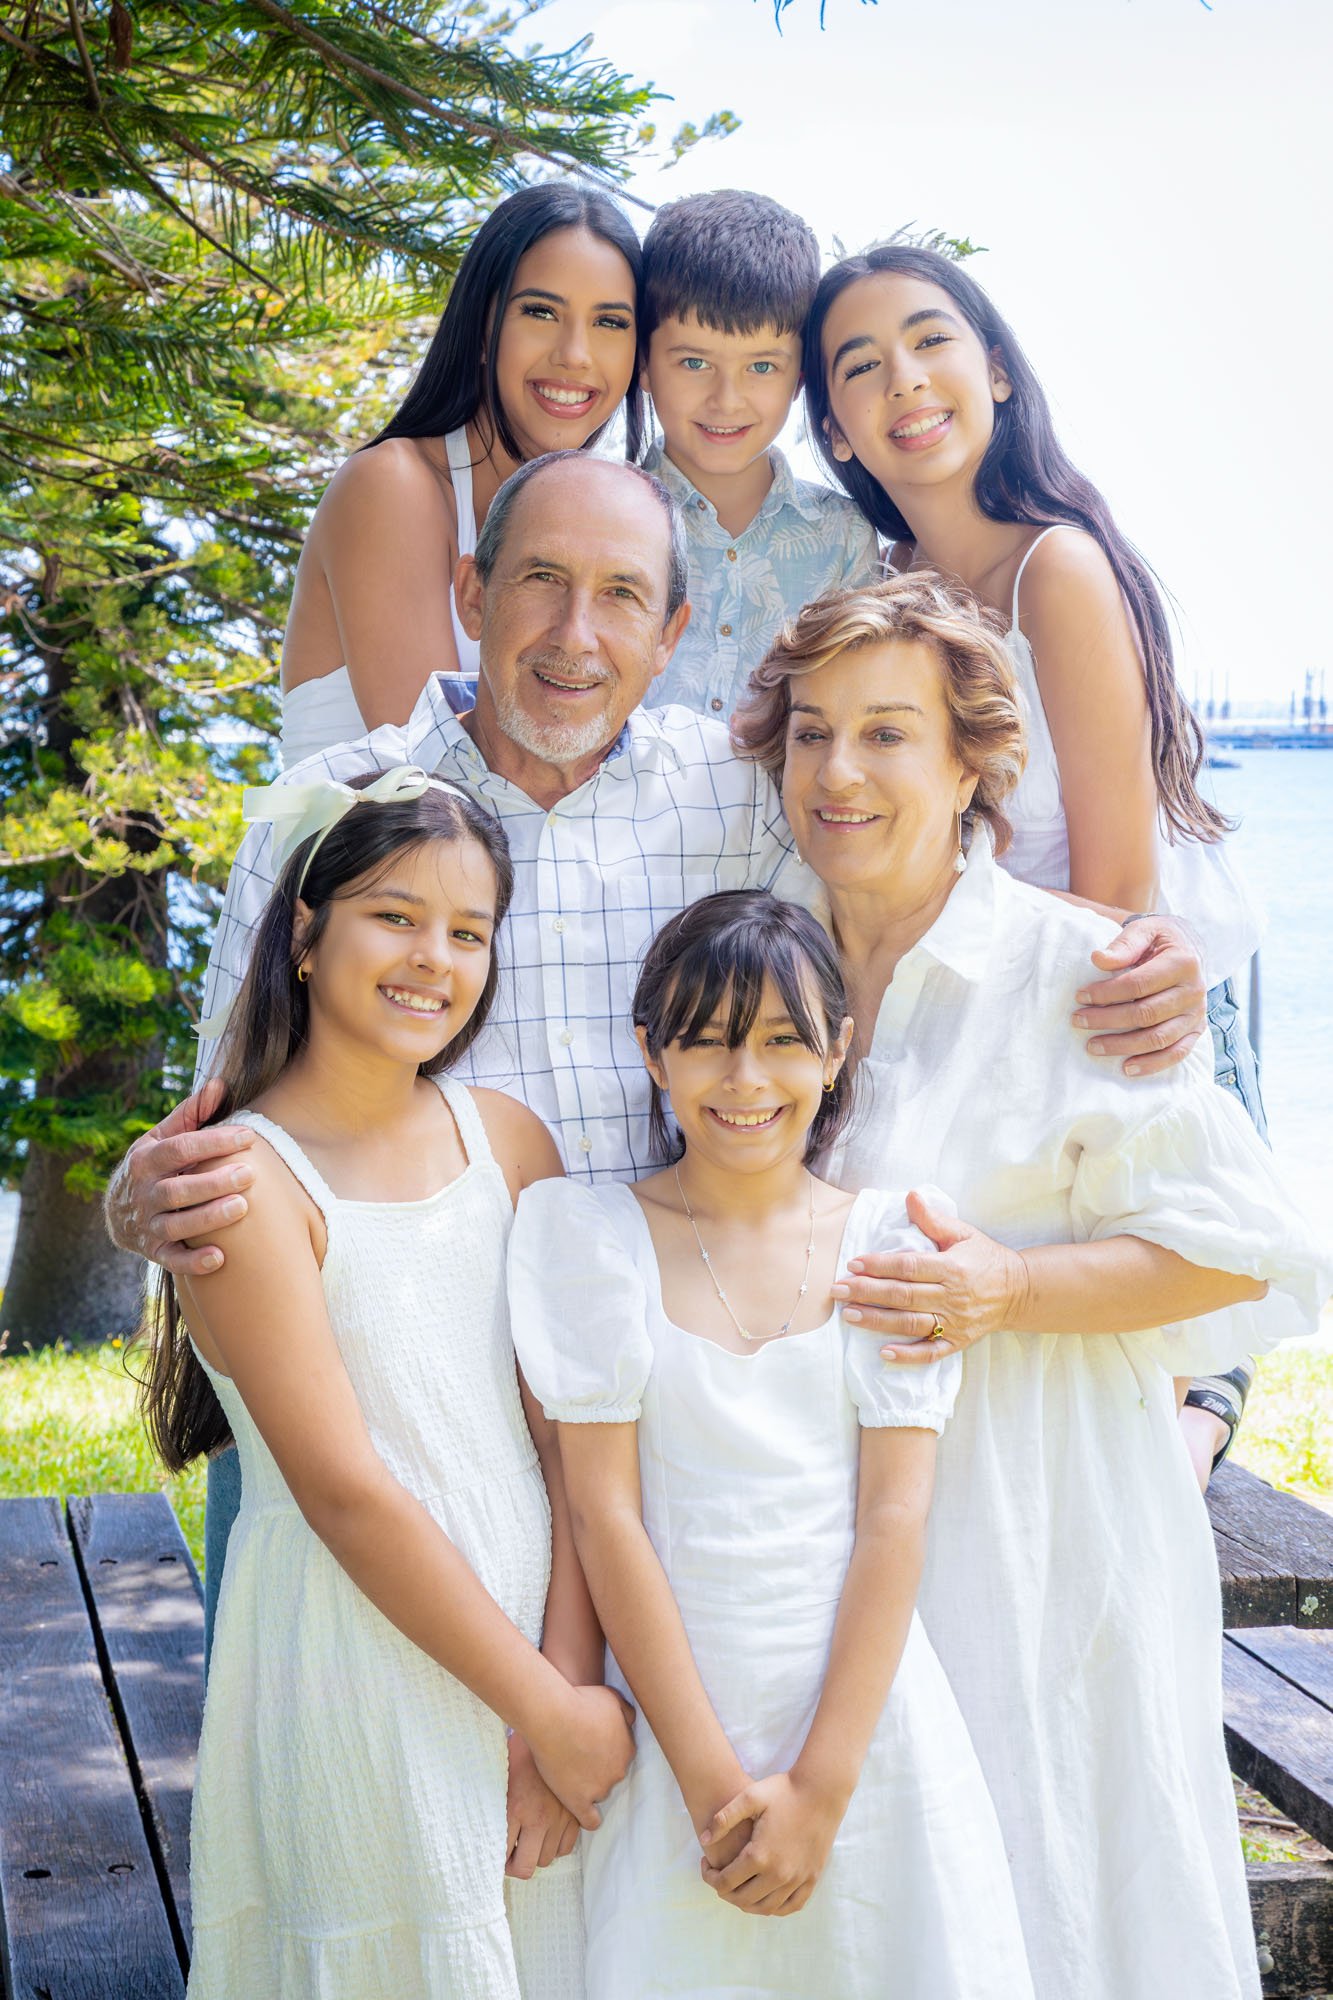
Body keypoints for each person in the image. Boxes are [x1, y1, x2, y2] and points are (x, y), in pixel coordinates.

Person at [104, 453, 1211, 1657]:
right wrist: (133, 1196)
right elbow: (222, 1130)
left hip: (664, 1425)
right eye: (540, 579)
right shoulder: (337, 808)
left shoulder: (739, 796)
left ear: (673, 632)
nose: (575, 634)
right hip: (395, 1407)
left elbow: (912, 882)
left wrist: (1129, 949)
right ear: (471, 592)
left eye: (623, 594)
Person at [731, 574, 1331, 2000]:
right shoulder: (757, 958)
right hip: (810, 1539)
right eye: (811, 733)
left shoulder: (1082, 972)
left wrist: (1008, 1284)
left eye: (887, 733)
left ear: (972, 764)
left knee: (1053, 1889)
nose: (838, 770)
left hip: (1039, 1522)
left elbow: (1244, 1251)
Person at [137, 769, 633, 1996]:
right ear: (305, 935)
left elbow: (564, 1443)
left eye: (468, 931)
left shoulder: (507, 1141)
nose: (433, 958)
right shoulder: (244, 1183)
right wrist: (547, 1708)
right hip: (353, 1671)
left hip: (529, 1666)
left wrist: (565, 1690)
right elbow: (346, 1491)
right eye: (394, 916)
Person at [508, 890, 1035, 1999]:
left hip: (861, 1732)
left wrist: (821, 1791)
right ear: (651, 1052)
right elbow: (605, 1516)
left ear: (837, 1052)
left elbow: (894, 1517)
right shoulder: (590, 1238)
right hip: (674, 1732)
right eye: (706, 1040)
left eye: (784, 1041)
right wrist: (712, 1790)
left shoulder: (888, 1241)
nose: (744, 1078)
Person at [802, 242, 1267, 1477]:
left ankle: (1203, 1420)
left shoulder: (1054, 566)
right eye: (860, 365)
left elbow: (1116, 881)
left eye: (930, 340)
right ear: (836, 430)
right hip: (982, 970)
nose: (904, 380)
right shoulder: (882, 587)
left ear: (997, 370)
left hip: (1114, 973)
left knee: (1148, 1377)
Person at [280, 182, 644, 767]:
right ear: (481, 328)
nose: (575, 354)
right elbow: (440, 775)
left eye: (610, 322)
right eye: (540, 312)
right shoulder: (392, 487)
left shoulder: (605, 524)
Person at [638, 190, 878, 720]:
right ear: (645, 365)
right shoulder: (602, 514)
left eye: (762, 367)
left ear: (800, 378)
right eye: (694, 362)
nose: (727, 400)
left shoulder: (843, 537)